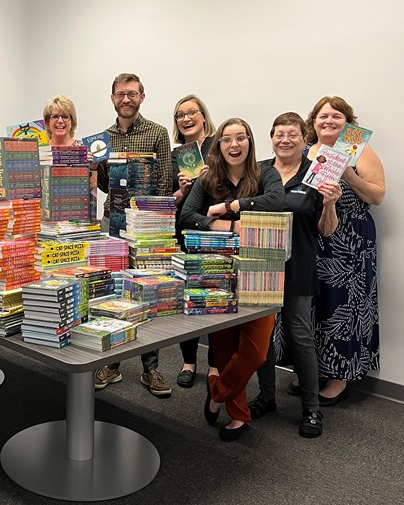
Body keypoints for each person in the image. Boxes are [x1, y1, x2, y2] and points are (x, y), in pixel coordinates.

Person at [180, 118, 284, 441]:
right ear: (218, 145)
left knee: (256, 351)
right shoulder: (208, 178)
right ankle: (238, 415)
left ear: (250, 142)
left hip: (262, 273)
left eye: (241, 138)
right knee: (224, 347)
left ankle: (217, 392)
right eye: (226, 139)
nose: (234, 145)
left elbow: (277, 202)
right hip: (216, 272)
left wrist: (230, 207)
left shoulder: (266, 173)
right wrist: (231, 227)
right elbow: (186, 217)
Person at [248, 113, 341, 438]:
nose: (285, 140)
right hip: (259, 267)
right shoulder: (258, 170)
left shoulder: (316, 175)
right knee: (261, 337)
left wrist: (329, 204)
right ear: (271, 137)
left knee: (300, 337)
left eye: (293, 135)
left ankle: (312, 409)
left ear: (305, 140)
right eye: (279, 134)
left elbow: (326, 231)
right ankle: (267, 397)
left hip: (299, 267)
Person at [93, 73, 173, 398]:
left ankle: (150, 367)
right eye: (120, 94)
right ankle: (112, 363)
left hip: (148, 225)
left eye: (132, 94)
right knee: (112, 290)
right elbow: (101, 181)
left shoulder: (157, 133)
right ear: (112, 98)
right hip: (112, 221)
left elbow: (166, 180)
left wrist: (150, 219)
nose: (126, 99)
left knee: (145, 292)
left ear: (142, 96)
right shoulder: (103, 138)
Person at [305, 96, 385, 405]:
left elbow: (377, 195)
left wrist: (348, 172)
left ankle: (339, 377)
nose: (329, 120)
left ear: (348, 122)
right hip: (312, 238)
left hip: (350, 241)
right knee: (313, 306)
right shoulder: (304, 151)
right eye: (323, 115)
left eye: (336, 116)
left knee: (343, 307)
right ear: (313, 122)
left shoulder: (359, 150)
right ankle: (312, 372)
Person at [170, 94, 218, 389]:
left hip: (213, 233)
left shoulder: (219, 146)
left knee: (214, 298)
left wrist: (211, 178)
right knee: (186, 299)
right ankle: (188, 362)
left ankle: (214, 365)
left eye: (191, 113)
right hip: (185, 231)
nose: (186, 119)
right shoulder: (180, 153)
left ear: (203, 116)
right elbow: (175, 204)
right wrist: (183, 189)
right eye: (179, 115)